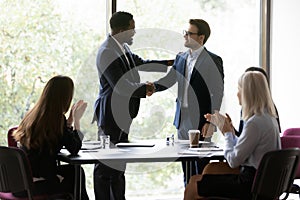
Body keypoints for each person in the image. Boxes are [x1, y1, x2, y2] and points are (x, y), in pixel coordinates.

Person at [92, 11, 172, 200]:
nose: (135, 32)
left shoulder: (122, 48)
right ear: (121, 30)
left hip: (123, 114)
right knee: (105, 167)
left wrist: (172, 62)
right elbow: (120, 86)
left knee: (118, 165)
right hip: (110, 114)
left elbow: (141, 63)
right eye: (132, 28)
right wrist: (147, 88)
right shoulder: (106, 52)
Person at [184, 71, 281, 200]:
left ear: (247, 93)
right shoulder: (268, 118)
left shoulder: (254, 123)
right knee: (198, 177)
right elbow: (247, 149)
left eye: (239, 89)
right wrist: (230, 132)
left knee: (193, 187)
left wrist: (228, 134)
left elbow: (233, 161)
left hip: (249, 184)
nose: (237, 94)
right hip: (264, 183)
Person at [151, 19, 224, 184]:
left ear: (201, 38)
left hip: (201, 121)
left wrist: (211, 121)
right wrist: (151, 88)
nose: (185, 35)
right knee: (186, 169)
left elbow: (217, 93)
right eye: (185, 32)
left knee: (200, 169)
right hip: (182, 121)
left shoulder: (213, 60)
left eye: (189, 33)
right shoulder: (181, 57)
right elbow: (169, 80)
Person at [12, 75, 89, 200]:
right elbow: (74, 148)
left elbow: (61, 137)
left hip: (18, 183)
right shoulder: (55, 120)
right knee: (76, 175)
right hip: (34, 185)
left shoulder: (32, 116)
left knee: (74, 172)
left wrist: (68, 122)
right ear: (65, 98)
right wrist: (77, 121)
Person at [235, 66, 281, 135]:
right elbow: (242, 136)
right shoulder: (269, 110)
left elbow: (242, 141)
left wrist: (228, 133)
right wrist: (229, 128)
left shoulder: (257, 120)